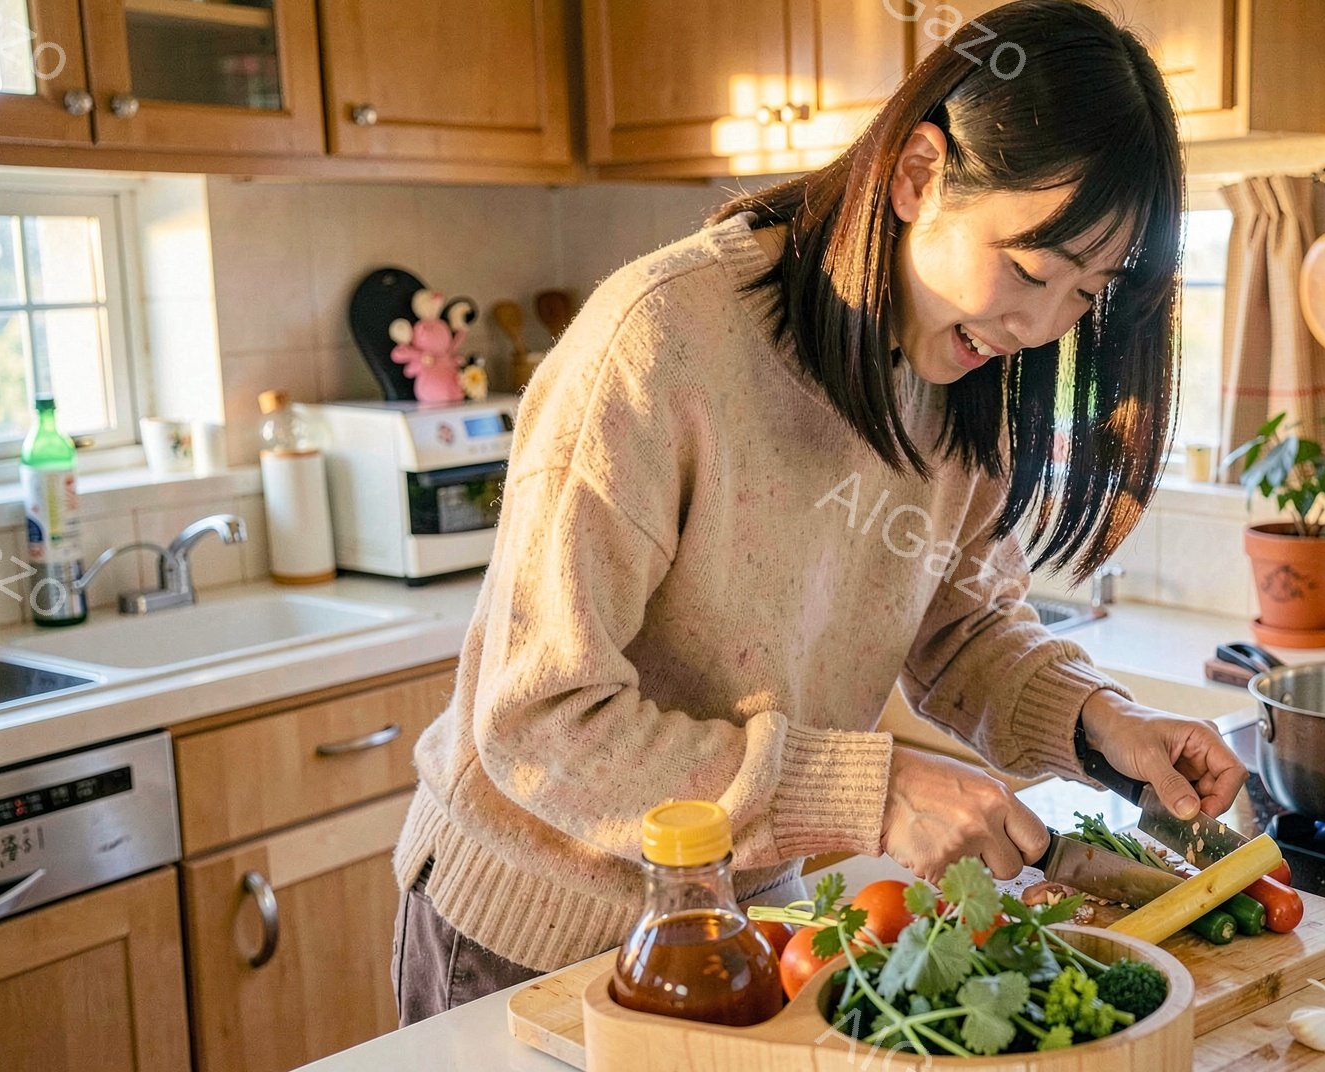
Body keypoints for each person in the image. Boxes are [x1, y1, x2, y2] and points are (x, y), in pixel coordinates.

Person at [389, 0, 1247, 1026]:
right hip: (525, 938)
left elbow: (965, 624)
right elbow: (539, 722)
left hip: (749, 920)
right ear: (919, 175)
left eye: (1085, 292)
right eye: (1028, 268)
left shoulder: (963, 372)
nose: (1039, 324)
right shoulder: (660, 343)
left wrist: (1101, 722)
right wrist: (872, 794)